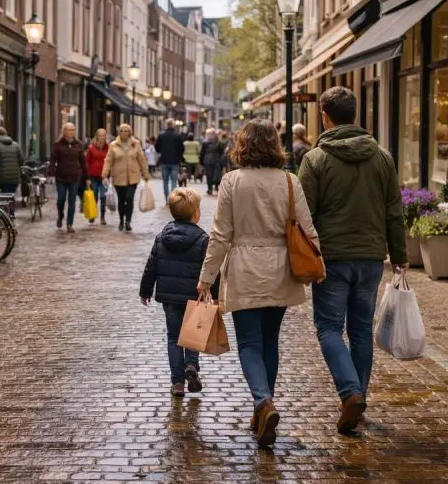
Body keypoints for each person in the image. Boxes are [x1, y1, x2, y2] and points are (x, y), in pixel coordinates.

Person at [197, 119, 320, 448]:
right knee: (269, 342)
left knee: (250, 344)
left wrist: (206, 278)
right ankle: (263, 406)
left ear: (242, 145)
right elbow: (308, 231)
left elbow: (220, 236)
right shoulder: (290, 181)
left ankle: (263, 401)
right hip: (281, 270)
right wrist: (315, 265)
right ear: (276, 145)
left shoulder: (232, 181)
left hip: (246, 269)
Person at [298, 86, 408, 435]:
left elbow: (304, 216)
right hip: (371, 258)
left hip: (332, 259)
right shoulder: (382, 157)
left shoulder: (315, 160)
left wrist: (302, 259)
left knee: (329, 328)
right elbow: (394, 210)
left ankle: (351, 393)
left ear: (325, 116)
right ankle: (357, 401)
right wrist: (400, 256)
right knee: (360, 330)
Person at [139, 188, 218, 396]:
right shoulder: (202, 239)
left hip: (170, 298)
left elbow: (151, 266)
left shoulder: (161, 237)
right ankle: (191, 366)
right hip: (195, 295)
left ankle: (177, 383)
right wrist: (216, 294)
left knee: (174, 338)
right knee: (192, 336)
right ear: (196, 213)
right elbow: (210, 269)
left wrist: (145, 290)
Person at [102, 123, 149, 232]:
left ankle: (128, 221)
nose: (124, 132)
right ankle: (121, 220)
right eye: (122, 130)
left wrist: (145, 174)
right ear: (119, 132)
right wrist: (104, 174)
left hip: (133, 177)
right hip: (118, 177)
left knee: (129, 198)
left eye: (126, 130)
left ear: (130, 132)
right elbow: (108, 160)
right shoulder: (113, 145)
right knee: (121, 200)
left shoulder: (135, 144)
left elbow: (141, 159)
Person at [48, 123, 86, 233]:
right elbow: (52, 160)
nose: (71, 132)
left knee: (72, 201)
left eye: (73, 130)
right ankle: (60, 216)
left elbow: (83, 162)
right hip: (61, 177)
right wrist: (51, 173)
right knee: (61, 199)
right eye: (68, 130)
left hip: (74, 177)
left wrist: (86, 177)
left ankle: (70, 224)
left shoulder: (78, 144)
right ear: (64, 131)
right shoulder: (57, 144)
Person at [84, 128, 110, 226]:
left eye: (104, 135)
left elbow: (110, 161)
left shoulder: (108, 148)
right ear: (97, 136)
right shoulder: (91, 148)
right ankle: (92, 214)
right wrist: (87, 177)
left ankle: (102, 217)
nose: (102, 137)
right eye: (100, 135)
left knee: (103, 196)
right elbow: (87, 162)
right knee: (94, 196)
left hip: (104, 176)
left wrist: (109, 173)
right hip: (93, 176)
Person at [155, 120, 185, 199]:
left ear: (166, 125)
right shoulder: (177, 136)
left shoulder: (161, 135)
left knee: (165, 182)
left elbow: (157, 147)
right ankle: (173, 199)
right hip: (175, 161)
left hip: (164, 161)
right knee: (174, 181)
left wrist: (162, 151)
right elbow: (182, 148)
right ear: (173, 125)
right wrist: (179, 156)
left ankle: (166, 199)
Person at [0, 127, 24, 198]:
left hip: (2, 177)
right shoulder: (16, 145)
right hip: (14, 177)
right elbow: (21, 160)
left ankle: (6, 209)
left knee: (3, 198)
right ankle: (11, 209)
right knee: (11, 196)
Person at [200, 128, 222, 196]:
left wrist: (201, 162)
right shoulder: (218, 142)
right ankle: (216, 186)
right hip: (216, 160)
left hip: (207, 160)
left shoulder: (204, 142)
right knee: (216, 174)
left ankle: (209, 189)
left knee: (209, 175)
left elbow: (202, 153)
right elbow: (221, 151)